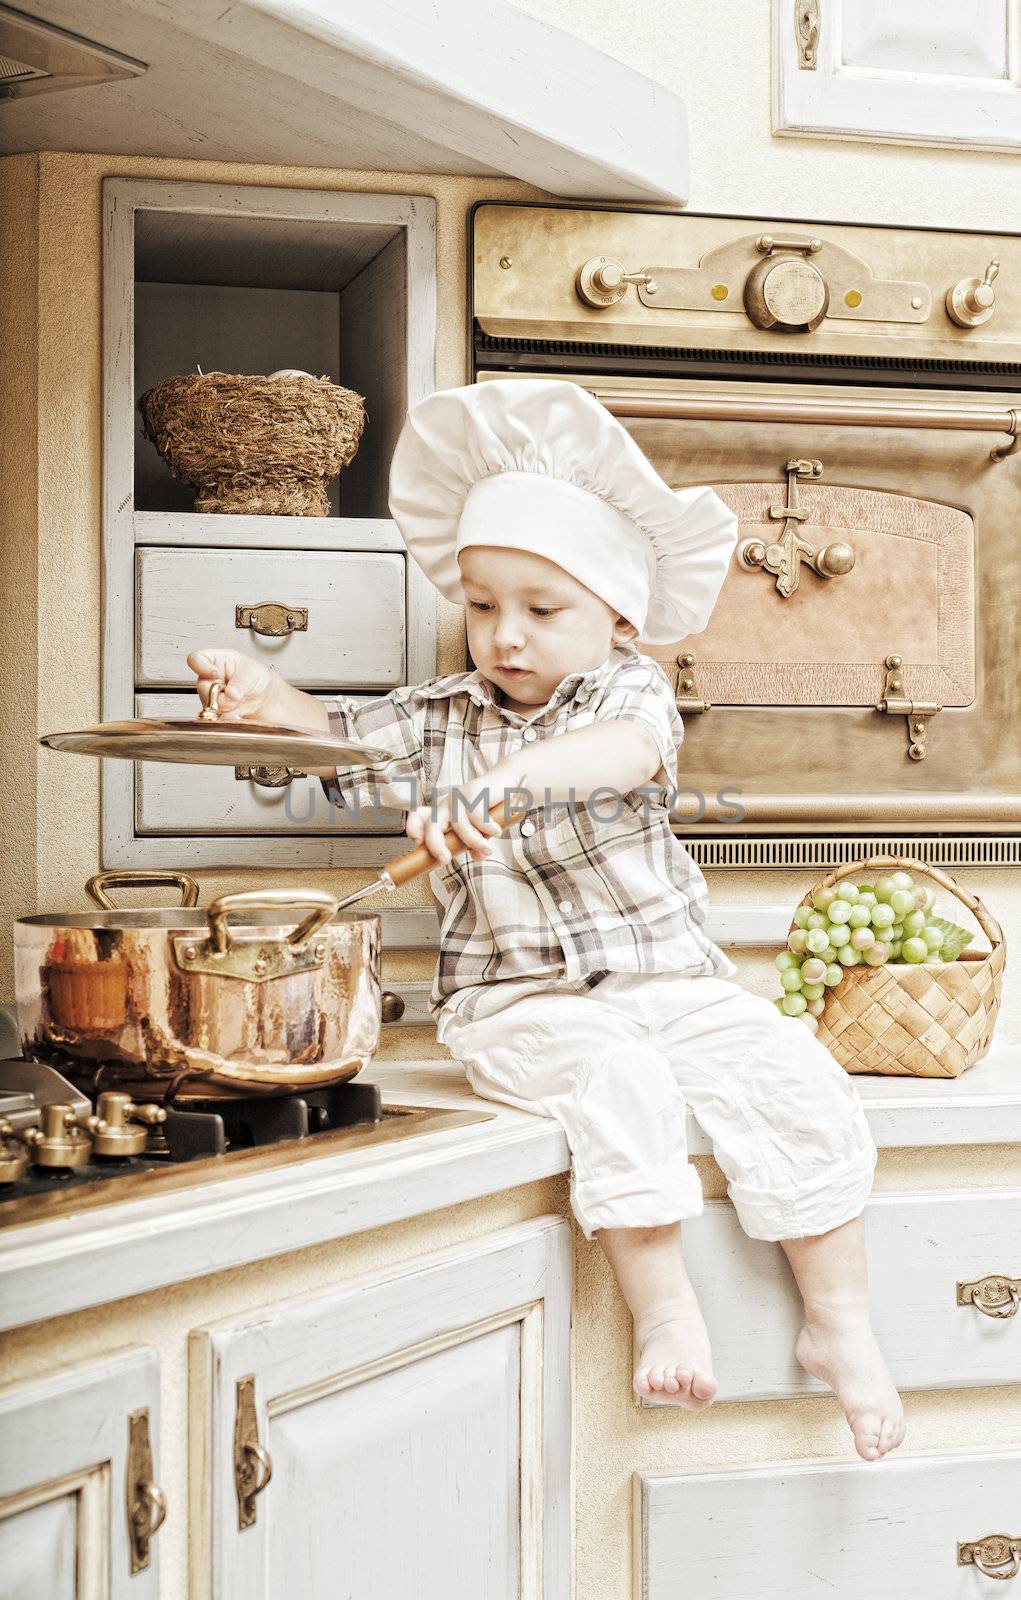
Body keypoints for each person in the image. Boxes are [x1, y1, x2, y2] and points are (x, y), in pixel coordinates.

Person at [187, 378, 905, 1462]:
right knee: (616, 1076)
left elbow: (611, 760)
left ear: (616, 616)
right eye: (482, 604)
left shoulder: (629, 697)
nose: (503, 636)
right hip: (513, 999)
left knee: (792, 1070)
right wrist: (264, 701)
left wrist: (508, 786)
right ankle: (663, 1304)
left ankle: (838, 1320)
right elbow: (336, 745)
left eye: (540, 607)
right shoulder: (439, 717)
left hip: (669, 978)